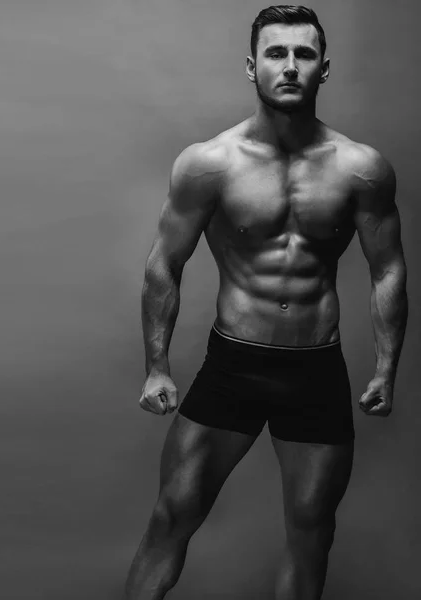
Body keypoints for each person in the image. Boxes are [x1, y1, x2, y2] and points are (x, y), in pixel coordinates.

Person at [124, 5, 408, 600]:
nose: (289, 66)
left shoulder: (361, 169)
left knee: (311, 536)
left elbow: (387, 269)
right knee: (171, 518)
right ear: (252, 66)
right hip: (235, 366)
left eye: (303, 55)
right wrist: (156, 366)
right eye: (276, 53)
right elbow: (163, 265)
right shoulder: (209, 165)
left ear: (323, 70)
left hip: (316, 370)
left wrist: (386, 368)